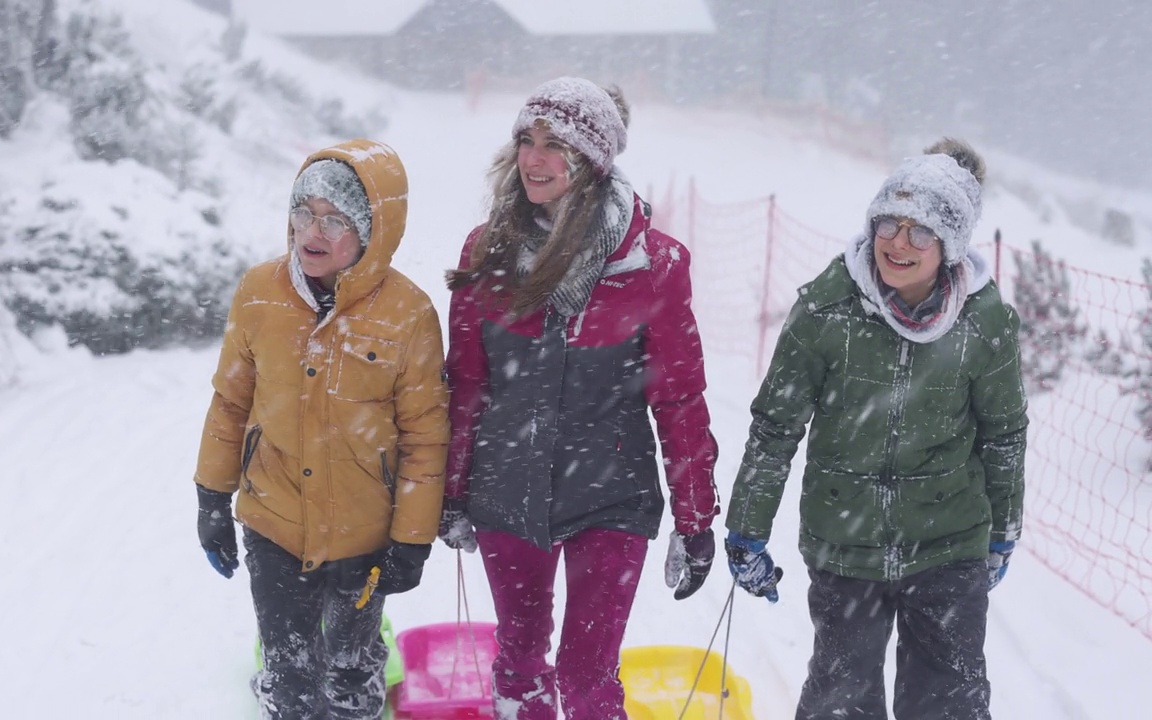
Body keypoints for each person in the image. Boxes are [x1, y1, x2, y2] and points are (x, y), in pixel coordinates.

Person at [438, 77, 721, 719]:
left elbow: (679, 399)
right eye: (525, 141)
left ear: (592, 161)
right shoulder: (487, 251)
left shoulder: (654, 265)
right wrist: (450, 490)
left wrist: (696, 517)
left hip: (610, 495)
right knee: (519, 660)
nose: (532, 159)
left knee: (588, 674)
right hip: (506, 489)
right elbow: (467, 384)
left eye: (553, 145)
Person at [724, 139, 1027, 720]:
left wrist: (1003, 531)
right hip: (845, 541)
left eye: (922, 232)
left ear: (952, 244)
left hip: (949, 540)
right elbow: (775, 426)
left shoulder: (985, 322)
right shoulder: (826, 309)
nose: (899, 242)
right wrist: (747, 529)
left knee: (947, 704)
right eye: (890, 222)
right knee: (841, 701)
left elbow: (1004, 433)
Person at [192, 139, 450, 719]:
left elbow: (425, 436)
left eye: (336, 219)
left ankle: (355, 682)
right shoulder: (261, 292)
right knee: (291, 679)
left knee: (351, 676)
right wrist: (212, 496)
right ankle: (284, 694)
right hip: (273, 520)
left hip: (365, 535)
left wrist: (412, 537)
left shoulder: (408, 314)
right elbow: (230, 401)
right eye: (303, 211)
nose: (314, 229)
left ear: (373, 231)